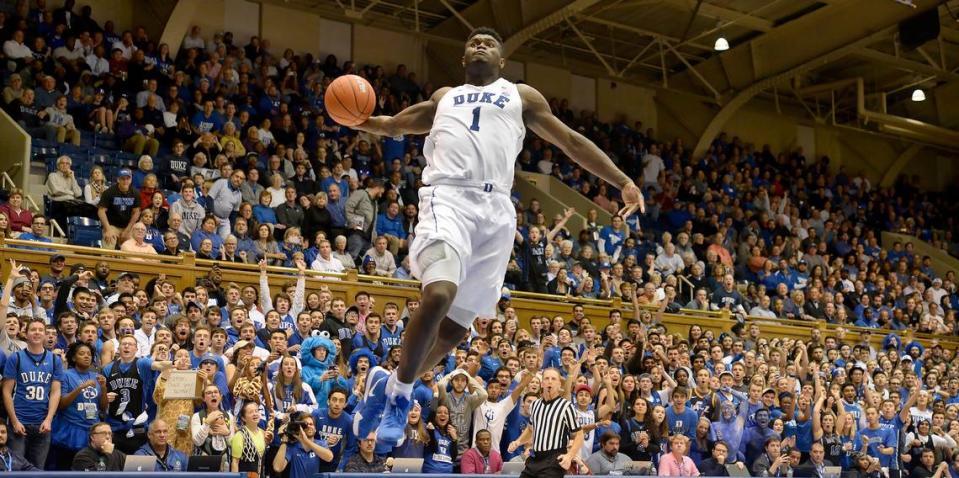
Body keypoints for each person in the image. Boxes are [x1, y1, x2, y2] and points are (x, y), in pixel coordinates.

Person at [353, 26, 643, 448]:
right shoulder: (444, 97)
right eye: (472, 42)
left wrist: (621, 181)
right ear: (462, 58)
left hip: (496, 213)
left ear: (503, 62)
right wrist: (358, 118)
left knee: (453, 332)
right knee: (438, 295)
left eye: (489, 42)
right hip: (448, 197)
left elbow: (570, 141)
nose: (480, 44)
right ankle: (399, 395)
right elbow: (395, 124)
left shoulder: (521, 96)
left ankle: (390, 380)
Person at [2, 276, 64, 469]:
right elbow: (6, 391)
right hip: (19, 422)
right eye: (33, 330)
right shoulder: (16, 358)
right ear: (25, 333)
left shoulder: (54, 360)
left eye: (40, 330)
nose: (37, 332)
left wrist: (49, 419)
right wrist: (13, 420)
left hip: (42, 424)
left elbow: (55, 392)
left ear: (46, 334)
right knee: (16, 468)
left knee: (38, 469)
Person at [507, 368, 584, 478]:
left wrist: (569, 455)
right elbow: (530, 429)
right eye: (546, 378)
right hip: (534, 457)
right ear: (542, 384)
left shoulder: (566, 406)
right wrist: (518, 441)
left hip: (554, 459)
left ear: (559, 384)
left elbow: (579, 435)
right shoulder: (535, 405)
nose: (550, 381)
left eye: (553, 379)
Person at [51, 341, 106, 469]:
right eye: (82, 354)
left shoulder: (97, 377)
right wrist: (80, 388)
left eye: (89, 354)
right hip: (69, 432)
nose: (87, 356)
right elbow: (61, 404)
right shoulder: (65, 375)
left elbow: (103, 407)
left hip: (91, 431)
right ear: (74, 358)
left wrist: (103, 388)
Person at [271, 414, 333, 478]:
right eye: (305, 425)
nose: (308, 426)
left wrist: (306, 440)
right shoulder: (293, 446)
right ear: (299, 429)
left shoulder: (321, 443)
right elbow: (277, 468)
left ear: (315, 429)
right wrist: (284, 440)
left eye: (311, 424)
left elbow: (329, 457)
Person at [98, 168, 141, 250]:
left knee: (132, 248)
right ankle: (106, 261)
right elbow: (101, 211)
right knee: (109, 240)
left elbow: (136, 212)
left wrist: (128, 230)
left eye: (128, 178)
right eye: (123, 179)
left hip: (127, 226)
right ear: (118, 179)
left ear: (131, 179)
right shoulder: (109, 192)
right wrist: (108, 229)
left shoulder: (135, 193)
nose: (125, 181)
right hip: (112, 225)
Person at [231, 400, 266, 474]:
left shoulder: (262, 432)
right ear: (243, 418)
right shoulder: (240, 435)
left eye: (256, 411)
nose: (255, 414)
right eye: (251, 412)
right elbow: (235, 463)